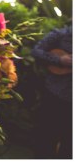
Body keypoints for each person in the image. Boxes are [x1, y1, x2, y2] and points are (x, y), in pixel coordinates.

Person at [31, 25, 72, 158]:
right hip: (54, 95)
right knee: (45, 139)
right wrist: (59, 60)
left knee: (69, 148)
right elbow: (37, 51)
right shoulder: (61, 34)